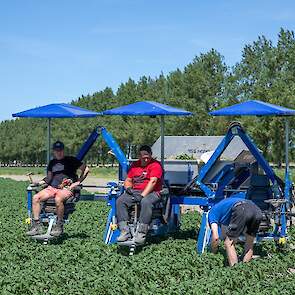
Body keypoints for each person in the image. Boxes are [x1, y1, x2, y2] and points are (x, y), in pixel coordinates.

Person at [26, 141, 89, 237]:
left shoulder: (71, 160)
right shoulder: (52, 163)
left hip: (66, 188)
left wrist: (77, 182)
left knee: (58, 198)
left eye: (60, 150)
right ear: (54, 152)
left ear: (63, 151)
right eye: (56, 151)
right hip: (52, 188)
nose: (58, 152)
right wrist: (38, 183)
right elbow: (48, 179)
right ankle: (37, 226)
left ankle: (59, 225)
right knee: (36, 198)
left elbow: (86, 169)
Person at [116, 145, 163, 245]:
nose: (145, 159)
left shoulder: (155, 165)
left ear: (151, 155)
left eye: (147, 156)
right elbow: (128, 180)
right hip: (135, 191)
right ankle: (125, 231)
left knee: (145, 201)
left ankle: (141, 233)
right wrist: (129, 189)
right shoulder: (135, 165)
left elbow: (153, 182)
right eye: (143, 156)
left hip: (153, 192)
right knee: (120, 201)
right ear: (139, 156)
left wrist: (142, 196)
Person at [208, 197, 262, 266]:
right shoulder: (224, 210)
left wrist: (213, 252)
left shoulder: (212, 214)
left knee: (228, 243)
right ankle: (244, 270)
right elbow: (229, 232)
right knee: (249, 243)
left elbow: (215, 237)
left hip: (241, 209)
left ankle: (235, 271)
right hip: (257, 211)